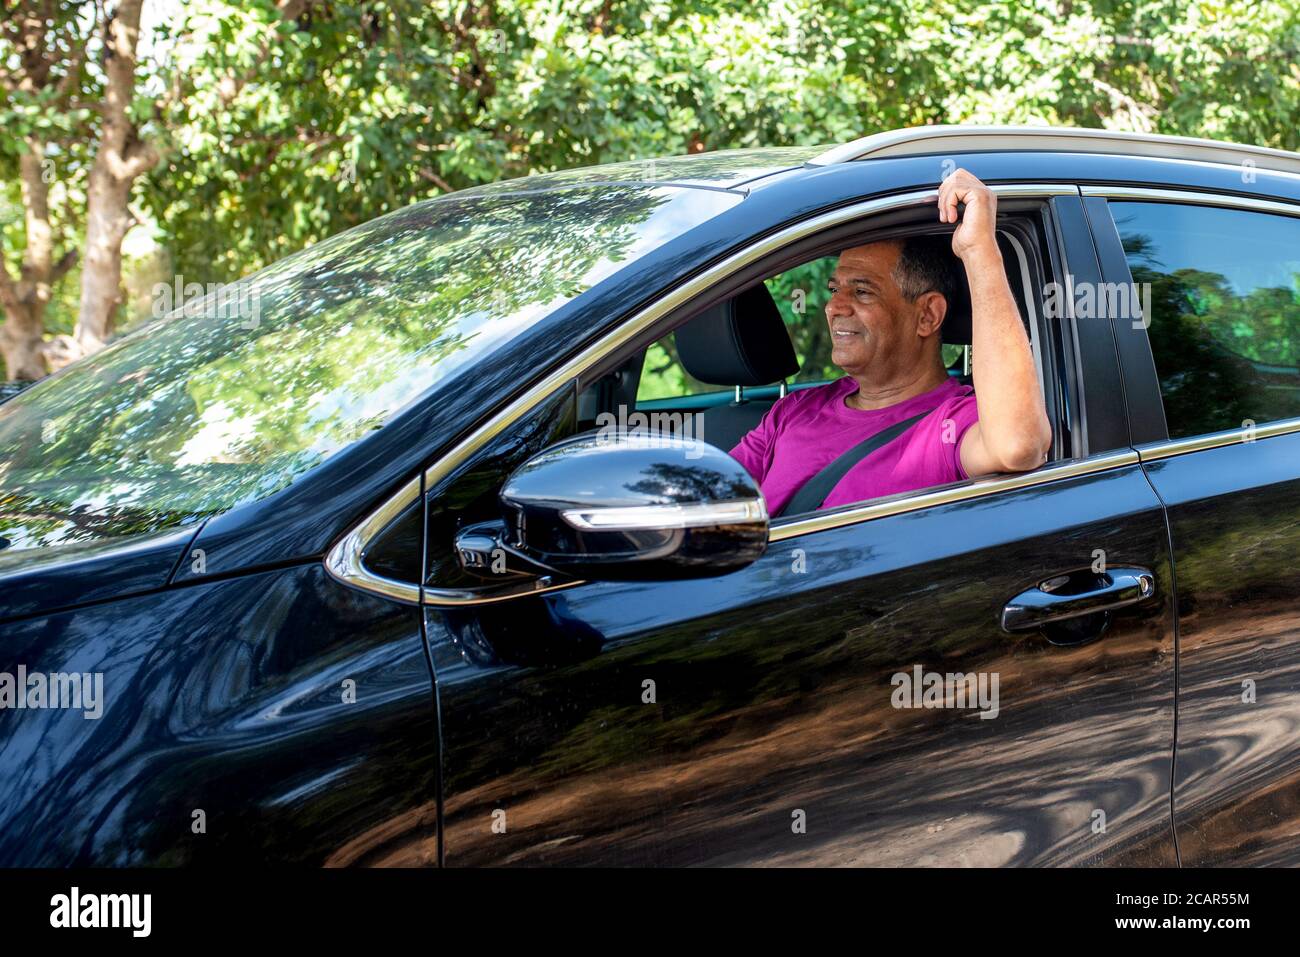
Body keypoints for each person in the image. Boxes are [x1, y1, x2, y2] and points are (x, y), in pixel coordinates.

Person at [729, 168, 1053, 515]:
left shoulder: (952, 424)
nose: (833, 306)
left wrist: (979, 250)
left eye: (862, 291)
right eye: (836, 289)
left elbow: (1018, 446)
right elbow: (712, 500)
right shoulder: (792, 412)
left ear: (927, 315)